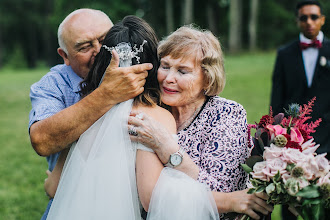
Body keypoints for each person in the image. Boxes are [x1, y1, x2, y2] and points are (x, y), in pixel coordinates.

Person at [45, 15, 219, 220]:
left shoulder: (86, 114)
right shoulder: (154, 116)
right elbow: (149, 198)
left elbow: (53, 188)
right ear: (152, 64)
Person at [128, 25, 273, 219]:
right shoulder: (154, 111)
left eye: (183, 71)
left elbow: (225, 194)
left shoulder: (227, 113)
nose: (168, 78)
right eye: (165, 66)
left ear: (207, 79)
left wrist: (168, 149)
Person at [28, 9, 152, 219]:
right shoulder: (53, 85)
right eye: (84, 47)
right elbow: (42, 141)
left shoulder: (141, 66)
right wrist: (106, 95)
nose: (98, 51)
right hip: (71, 194)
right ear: (64, 56)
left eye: (104, 40)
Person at [270, 1, 330, 219]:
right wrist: (278, 133)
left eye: (314, 17)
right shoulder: (285, 54)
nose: (309, 22)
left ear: (322, 19)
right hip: (294, 141)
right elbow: (277, 98)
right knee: (291, 199)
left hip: (328, 138)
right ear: (297, 21)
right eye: (303, 18)